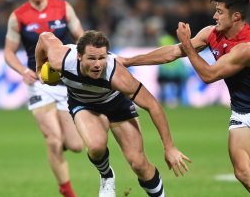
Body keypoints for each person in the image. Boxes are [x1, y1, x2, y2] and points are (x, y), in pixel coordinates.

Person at [118, 0, 250, 197]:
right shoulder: (211, 33)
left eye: (220, 12)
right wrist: (127, 61)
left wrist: (188, 46)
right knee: (243, 173)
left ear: (236, 16)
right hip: (242, 113)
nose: (215, 16)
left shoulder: (247, 48)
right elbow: (173, 52)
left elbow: (208, 75)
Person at [35, 30, 192, 197]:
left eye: (102, 58)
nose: (97, 64)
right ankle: (106, 176)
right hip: (83, 104)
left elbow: (153, 105)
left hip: (116, 104)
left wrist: (169, 147)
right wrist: (39, 68)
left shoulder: (118, 75)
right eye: (92, 58)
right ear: (79, 56)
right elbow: (44, 37)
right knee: (95, 146)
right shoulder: (60, 59)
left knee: (139, 164)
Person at [3, 0, 84, 196]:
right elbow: (9, 52)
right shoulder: (18, 17)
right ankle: (67, 191)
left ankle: (56, 146)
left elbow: (81, 38)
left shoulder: (64, 8)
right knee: (54, 140)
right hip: (38, 83)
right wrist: (22, 70)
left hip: (65, 83)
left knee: (76, 145)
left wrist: (83, 60)